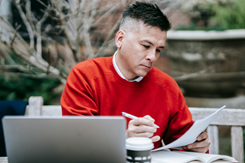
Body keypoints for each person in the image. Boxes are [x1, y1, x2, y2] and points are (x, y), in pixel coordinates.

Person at [61, 1, 210, 153]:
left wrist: (196, 147)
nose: (152, 57)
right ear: (120, 39)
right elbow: (78, 142)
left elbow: (183, 145)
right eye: (146, 46)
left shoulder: (166, 86)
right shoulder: (85, 76)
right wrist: (123, 139)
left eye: (158, 50)